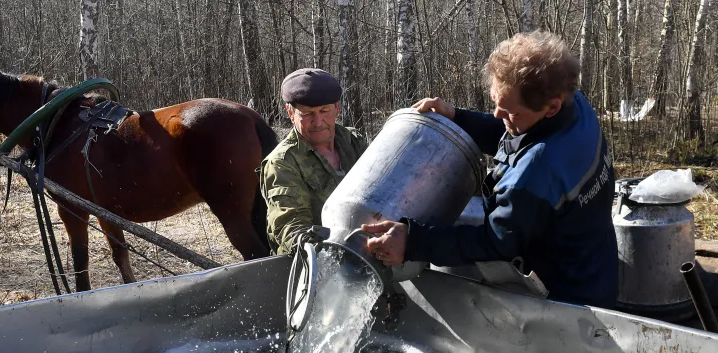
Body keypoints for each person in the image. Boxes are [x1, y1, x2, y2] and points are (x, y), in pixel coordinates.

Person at [363, 31, 618, 308]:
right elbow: (517, 133)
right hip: (598, 261)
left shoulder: (534, 174)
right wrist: (458, 117)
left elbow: (496, 242)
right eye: (497, 103)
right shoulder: (573, 105)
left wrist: (413, 242)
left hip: (569, 294)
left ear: (551, 107)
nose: (498, 115)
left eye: (510, 112)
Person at [259, 68, 368, 254]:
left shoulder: (354, 142)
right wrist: (325, 249)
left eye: (325, 111)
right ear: (290, 112)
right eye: (307, 114)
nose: (318, 122)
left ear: (337, 108)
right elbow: (291, 228)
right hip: (314, 265)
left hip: (369, 252)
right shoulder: (282, 163)